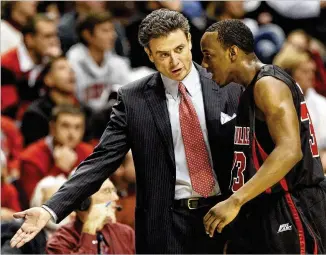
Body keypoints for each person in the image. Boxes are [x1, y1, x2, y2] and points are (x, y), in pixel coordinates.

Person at [10, 9, 242, 254]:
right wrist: (50, 209)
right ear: (149, 54)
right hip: (166, 224)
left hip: (226, 213)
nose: (174, 61)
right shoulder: (134, 99)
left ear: (189, 40)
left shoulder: (228, 84)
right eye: (163, 54)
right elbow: (101, 160)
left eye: (179, 49)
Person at [200, 19, 326, 253]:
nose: (204, 64)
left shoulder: (268, 84)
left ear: (232, 52)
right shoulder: (250, 88)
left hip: (292, 204)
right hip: (265, 206)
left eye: (208, 55)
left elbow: (289, 151)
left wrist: (235, 200)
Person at [19, 105, 93, 205]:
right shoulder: (31, 158)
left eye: (78, 127)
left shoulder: (89, 153)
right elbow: (35, 203)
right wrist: (59, 169)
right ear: (52, 128)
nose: (72, 134)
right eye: (65, 126)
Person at [46, 178, 135, 254]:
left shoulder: (126, 233)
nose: (116, 197)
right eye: (107, 191)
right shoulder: (59, 241)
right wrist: (90, 229)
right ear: (84, 201)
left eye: (114, 191)